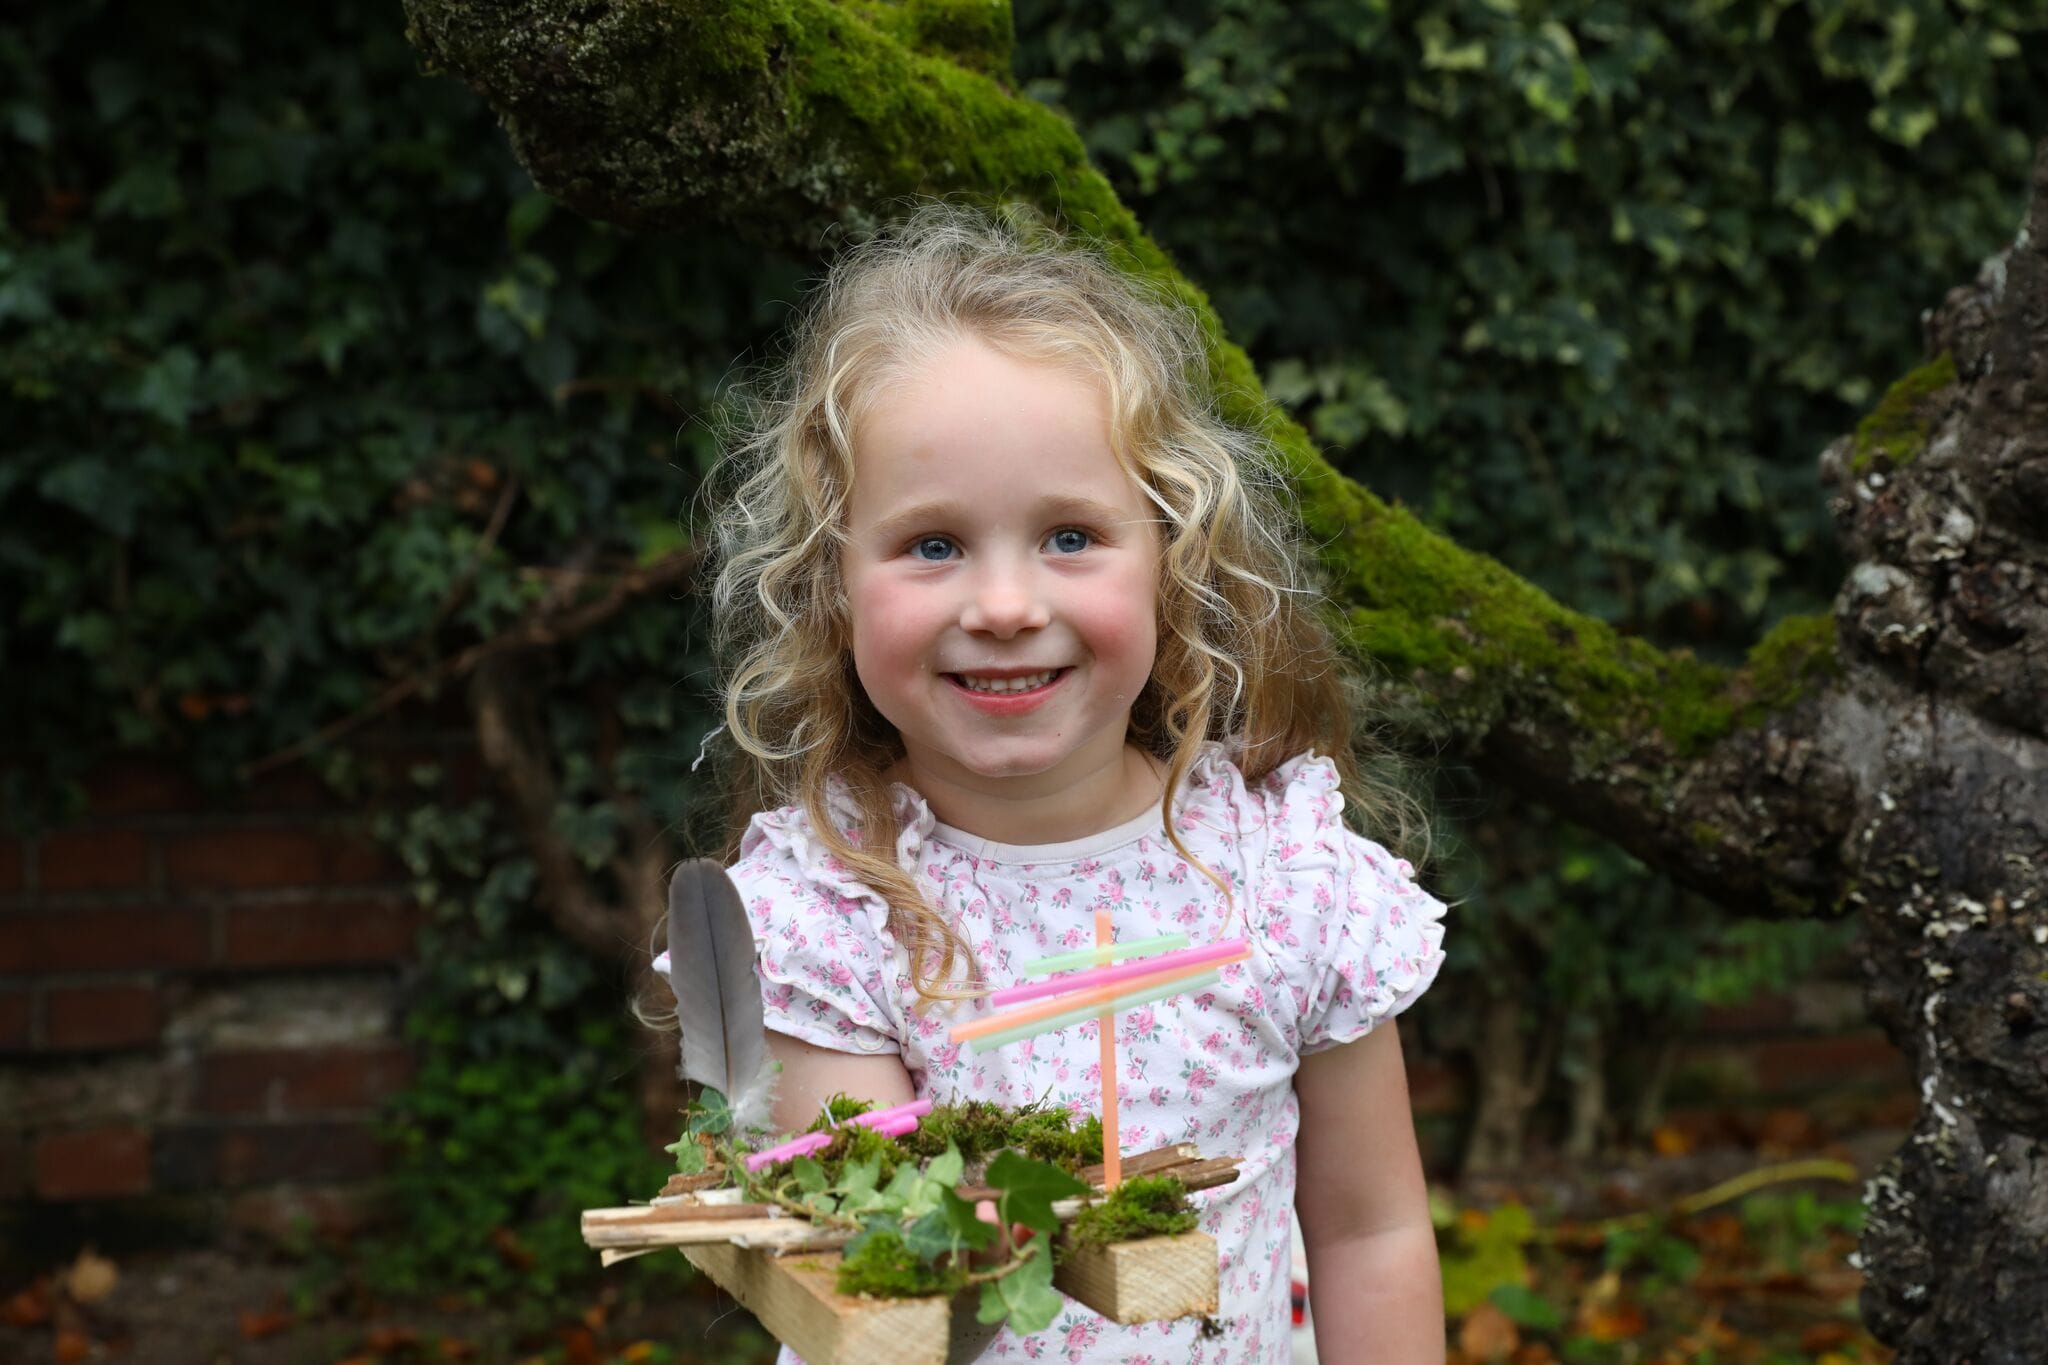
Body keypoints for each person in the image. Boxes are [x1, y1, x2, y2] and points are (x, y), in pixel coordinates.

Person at [695, 202, 1448, 1363]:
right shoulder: (830, 913)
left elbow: (1369, 1233)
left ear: (1171, 560)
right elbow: (890, 1296)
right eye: (933, 545)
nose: (1004, 607)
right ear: (830, 585)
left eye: (1068, 537)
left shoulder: (1284, 881)